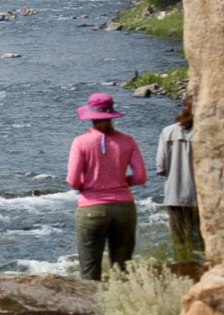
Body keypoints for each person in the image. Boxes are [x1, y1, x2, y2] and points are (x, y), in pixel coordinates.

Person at [67, 90, 147, 279]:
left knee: (89, 270)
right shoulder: (127, 140)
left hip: (91, 208)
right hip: (124, 208)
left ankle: (92, 307)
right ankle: (123, 304)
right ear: (112, 115)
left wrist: (85, 184)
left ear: (90, 117)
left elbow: (72, 180)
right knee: (123, 268)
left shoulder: (81, 142)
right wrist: (121, 181)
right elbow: (141, 177)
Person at [156, 98, 201, 255]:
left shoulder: (167, 132)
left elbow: (160, 167)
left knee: (180, 244)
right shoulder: (204, 132)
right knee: (200, 243)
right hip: (199, 196)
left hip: (174, 195)